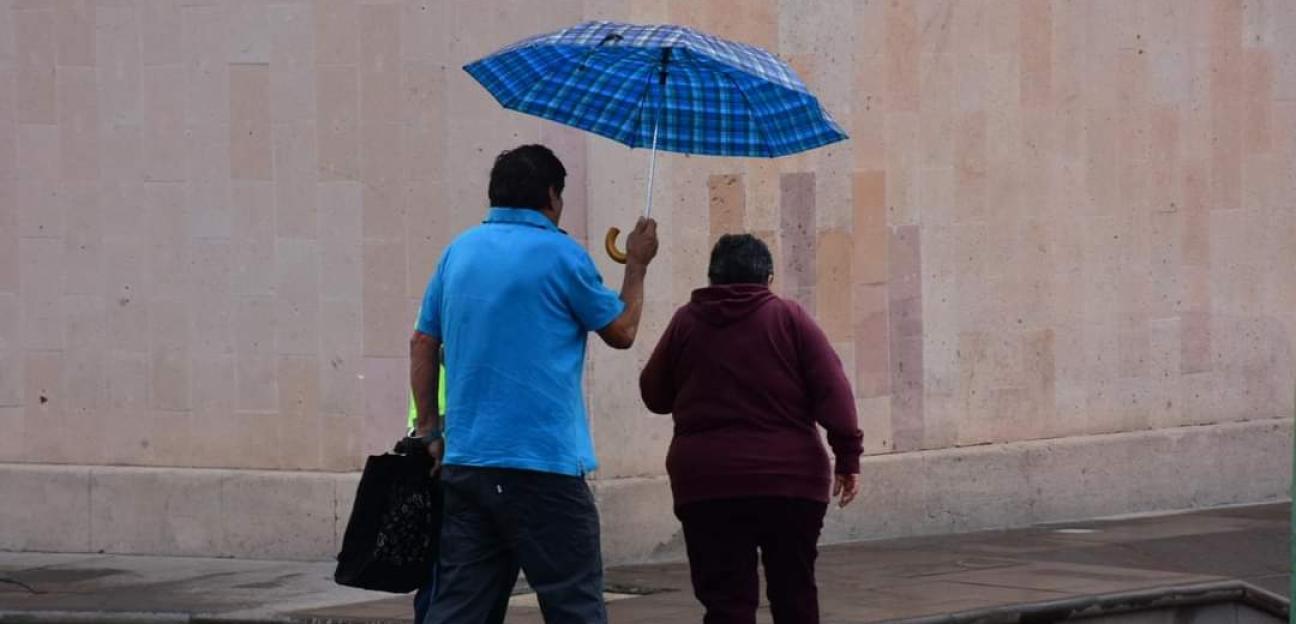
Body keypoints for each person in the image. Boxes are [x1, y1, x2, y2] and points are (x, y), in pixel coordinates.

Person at [409, 144, 659, 624]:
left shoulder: (457, 253)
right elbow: (622, 332)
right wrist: (637, 265)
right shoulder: (563, 255)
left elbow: (423, 342)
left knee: (461, 609)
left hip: (469, 464)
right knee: (574, 607)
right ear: (550, 195)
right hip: (544, 467)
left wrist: (430, 431)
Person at [639, 233, 862, 624]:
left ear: (712, 278)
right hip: (790, 481)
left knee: (726, 603)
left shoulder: (686, 322)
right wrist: (848, 457)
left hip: (707, 483)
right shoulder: (789, 318)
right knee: (795, 595)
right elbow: (833, 389)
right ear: (769, 277)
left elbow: (654, 395)